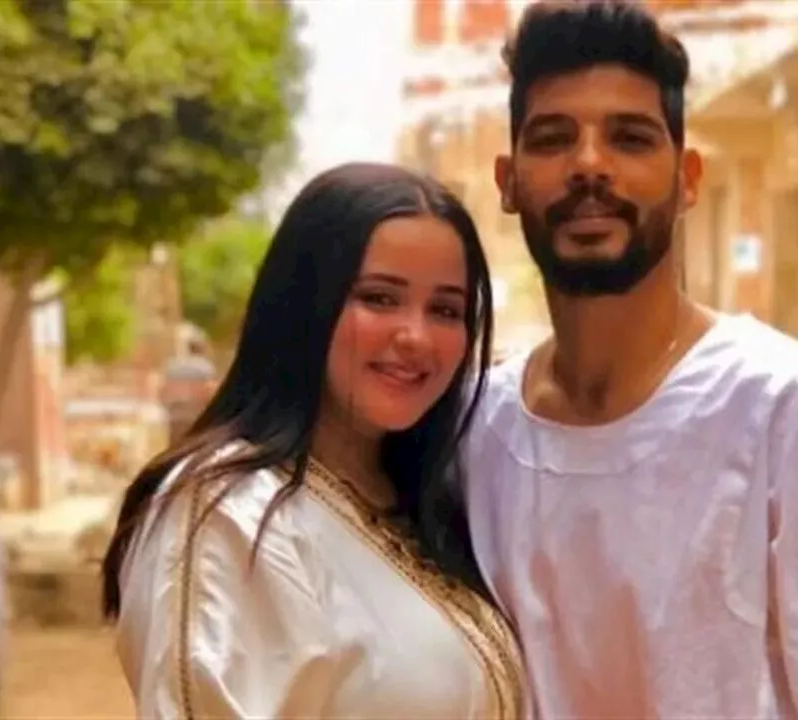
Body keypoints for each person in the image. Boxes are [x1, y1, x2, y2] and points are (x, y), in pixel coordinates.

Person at [462, 2, 798, 717]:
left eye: (630, 138)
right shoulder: (477, 438)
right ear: (508, 181)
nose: (589, 165)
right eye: (554, 139)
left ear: (688, 179)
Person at [101, 163, 525, 719]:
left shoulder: (429, 501)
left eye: (445, 309)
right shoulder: (228, 513)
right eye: (379, 298)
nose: (416, 336)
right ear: (304, 305)